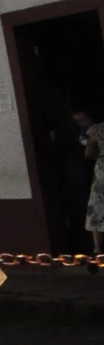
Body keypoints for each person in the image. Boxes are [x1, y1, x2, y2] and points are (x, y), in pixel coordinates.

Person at [80, 109, 104, 255]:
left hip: (102, 170)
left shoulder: (98, 130)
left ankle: (98, 248)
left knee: (97, 207)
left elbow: (88, 153)